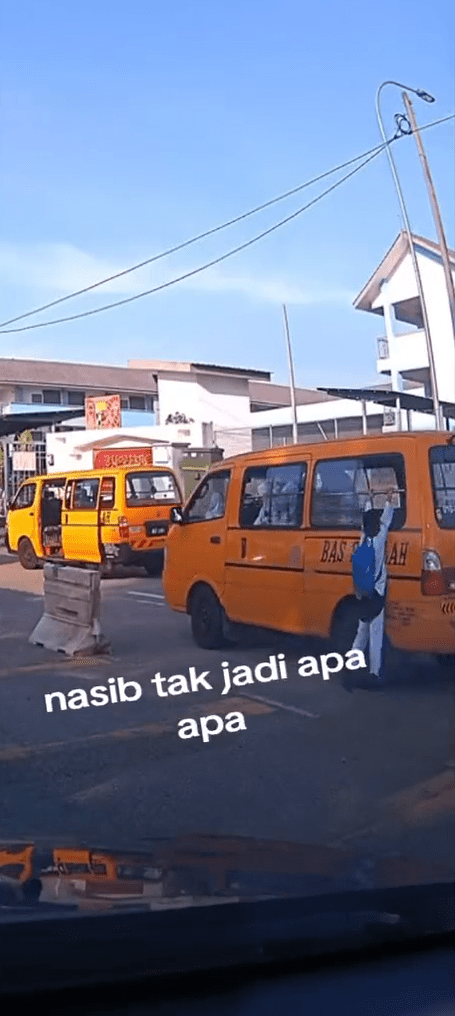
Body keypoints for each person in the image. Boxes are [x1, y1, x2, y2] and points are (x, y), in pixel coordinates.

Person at [346, 489, 396, 690]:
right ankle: (374, 673)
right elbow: (387, 518)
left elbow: (366, 520)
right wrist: (389, 499)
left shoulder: (362, 541)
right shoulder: (378, 541)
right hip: (376, 594)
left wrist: (368, 499)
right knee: (375, 633)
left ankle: (351, 667)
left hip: (363, 594)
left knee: (361, 632)